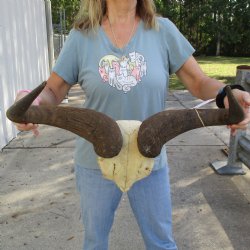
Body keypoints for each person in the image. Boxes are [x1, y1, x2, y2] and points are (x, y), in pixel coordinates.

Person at [15, 0, 250, 249]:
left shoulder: (163, 30)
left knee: (161, 243)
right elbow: (53, 90)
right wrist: (32, 101)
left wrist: (229, 94)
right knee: (94, 243)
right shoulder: (81, 36)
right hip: (96, 163)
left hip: (149, 160)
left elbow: (199, 82)